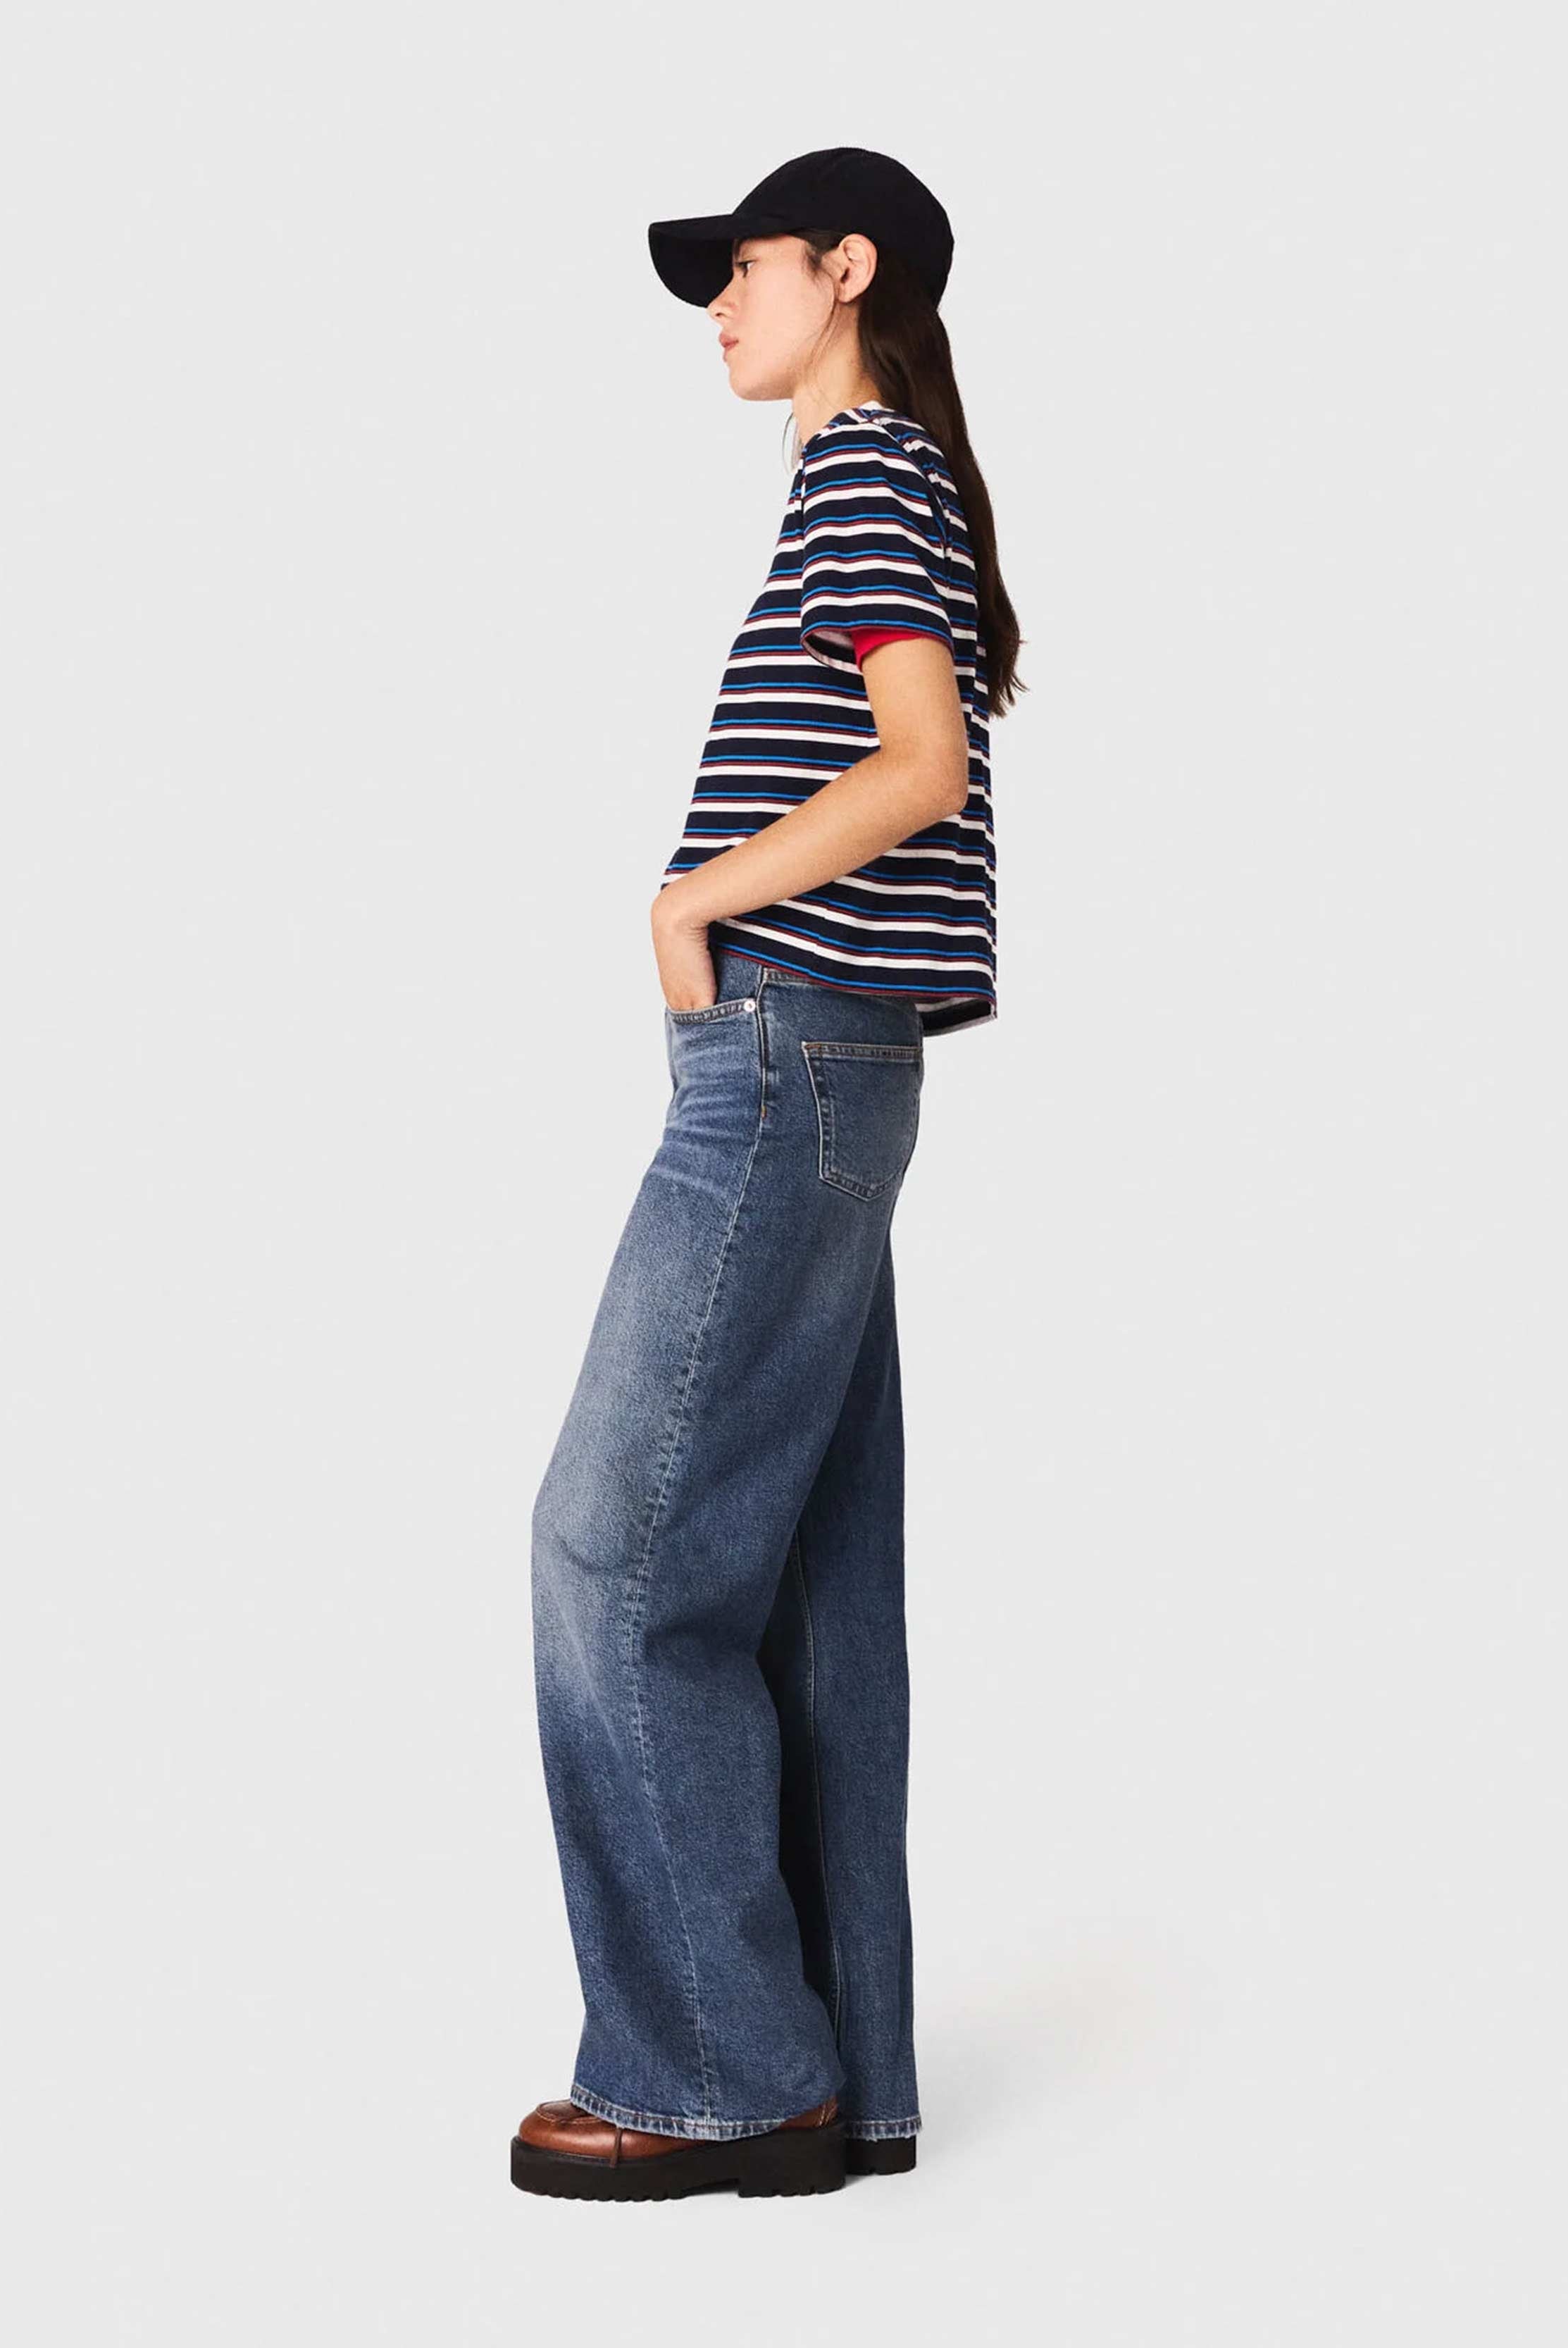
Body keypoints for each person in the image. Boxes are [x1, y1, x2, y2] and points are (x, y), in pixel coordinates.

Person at [511, 147, 1025, 2203]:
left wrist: (690, 900)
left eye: (743, 267)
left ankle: (716, 2071)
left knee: (612, 1560)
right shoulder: (880, 479)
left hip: (785, 1056)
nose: (719, 306)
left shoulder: (864, 474)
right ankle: (837, 2080)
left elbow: (921, 763)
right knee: (805, 1590)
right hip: (825, 1062)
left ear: (847, 268)